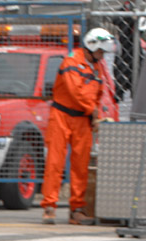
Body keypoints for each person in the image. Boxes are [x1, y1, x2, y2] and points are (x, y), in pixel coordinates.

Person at [40, 28, 116, 225]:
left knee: (81, 166)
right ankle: (49, 206)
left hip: (83, 119)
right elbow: (76, 91)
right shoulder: (72, 62)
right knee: (55, 163)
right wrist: (93, 111)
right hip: (62, 115)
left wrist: (93, 115)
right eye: (101, 51)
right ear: (91, 47)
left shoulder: (96, 66)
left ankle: (77, 209)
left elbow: (97, 93)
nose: (102, 56)